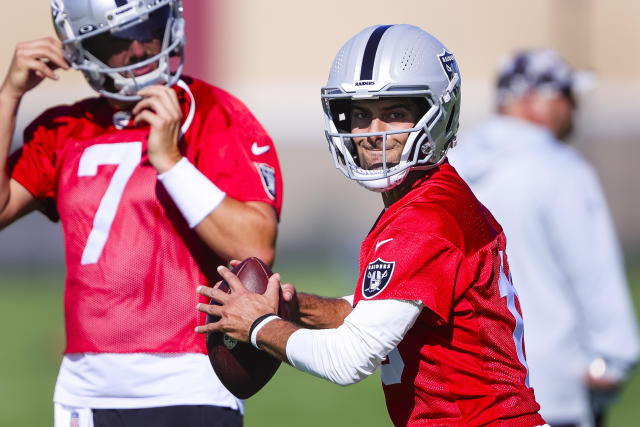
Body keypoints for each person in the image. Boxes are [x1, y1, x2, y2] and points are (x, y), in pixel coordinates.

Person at [196, 24, 546, 426]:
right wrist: (295, 307)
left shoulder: (425, 219)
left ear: (436, 114)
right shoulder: (429, 200)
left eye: (393, 114)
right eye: (360, 115)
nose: (371, 135)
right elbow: (376, 311)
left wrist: (259, 325)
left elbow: (349, 358)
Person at [0, 0, 282, 426]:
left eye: (148, 28)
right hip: (87, 387)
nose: (138, 49)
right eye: (116, 39)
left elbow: (256, 245)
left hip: (190, 378)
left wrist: (172, 163)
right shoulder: (65, 129)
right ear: (82, 47)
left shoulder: (211, 112)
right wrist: (10, 95)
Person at [448, 49, 639, 427]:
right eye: (566, 94)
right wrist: (615, 359)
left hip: (471, 389)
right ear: (534, 99)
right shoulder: (562, 170)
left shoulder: (453, 167)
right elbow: (594, 276)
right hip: (555, 391)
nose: (573, 106)